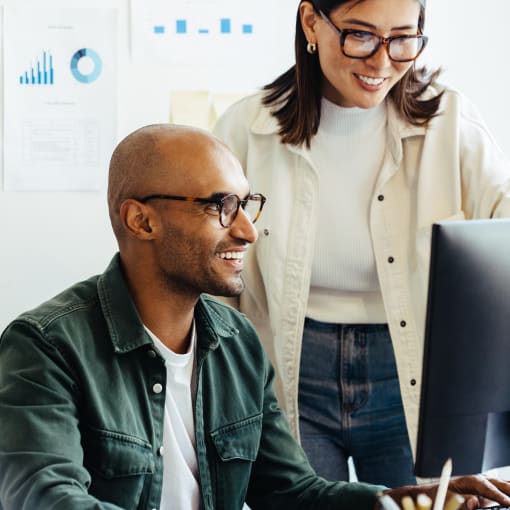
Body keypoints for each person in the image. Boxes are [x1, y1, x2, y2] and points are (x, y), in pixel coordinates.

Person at [1, 123, 509, 510]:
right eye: (221, 206)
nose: (247, 231)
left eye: (247, 205)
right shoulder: (44, 346)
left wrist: (404, 502)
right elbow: (44, 495)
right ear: (141, 219)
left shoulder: (236, 341)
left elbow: (291, 491)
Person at [213, 0, 510, 488]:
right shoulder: (247, 129)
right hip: (290, 368)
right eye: (360, 35)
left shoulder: (452, 122)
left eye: (402, 39)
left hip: (411, 370)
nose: (381, 61)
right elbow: (210, 273)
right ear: (312, 22)